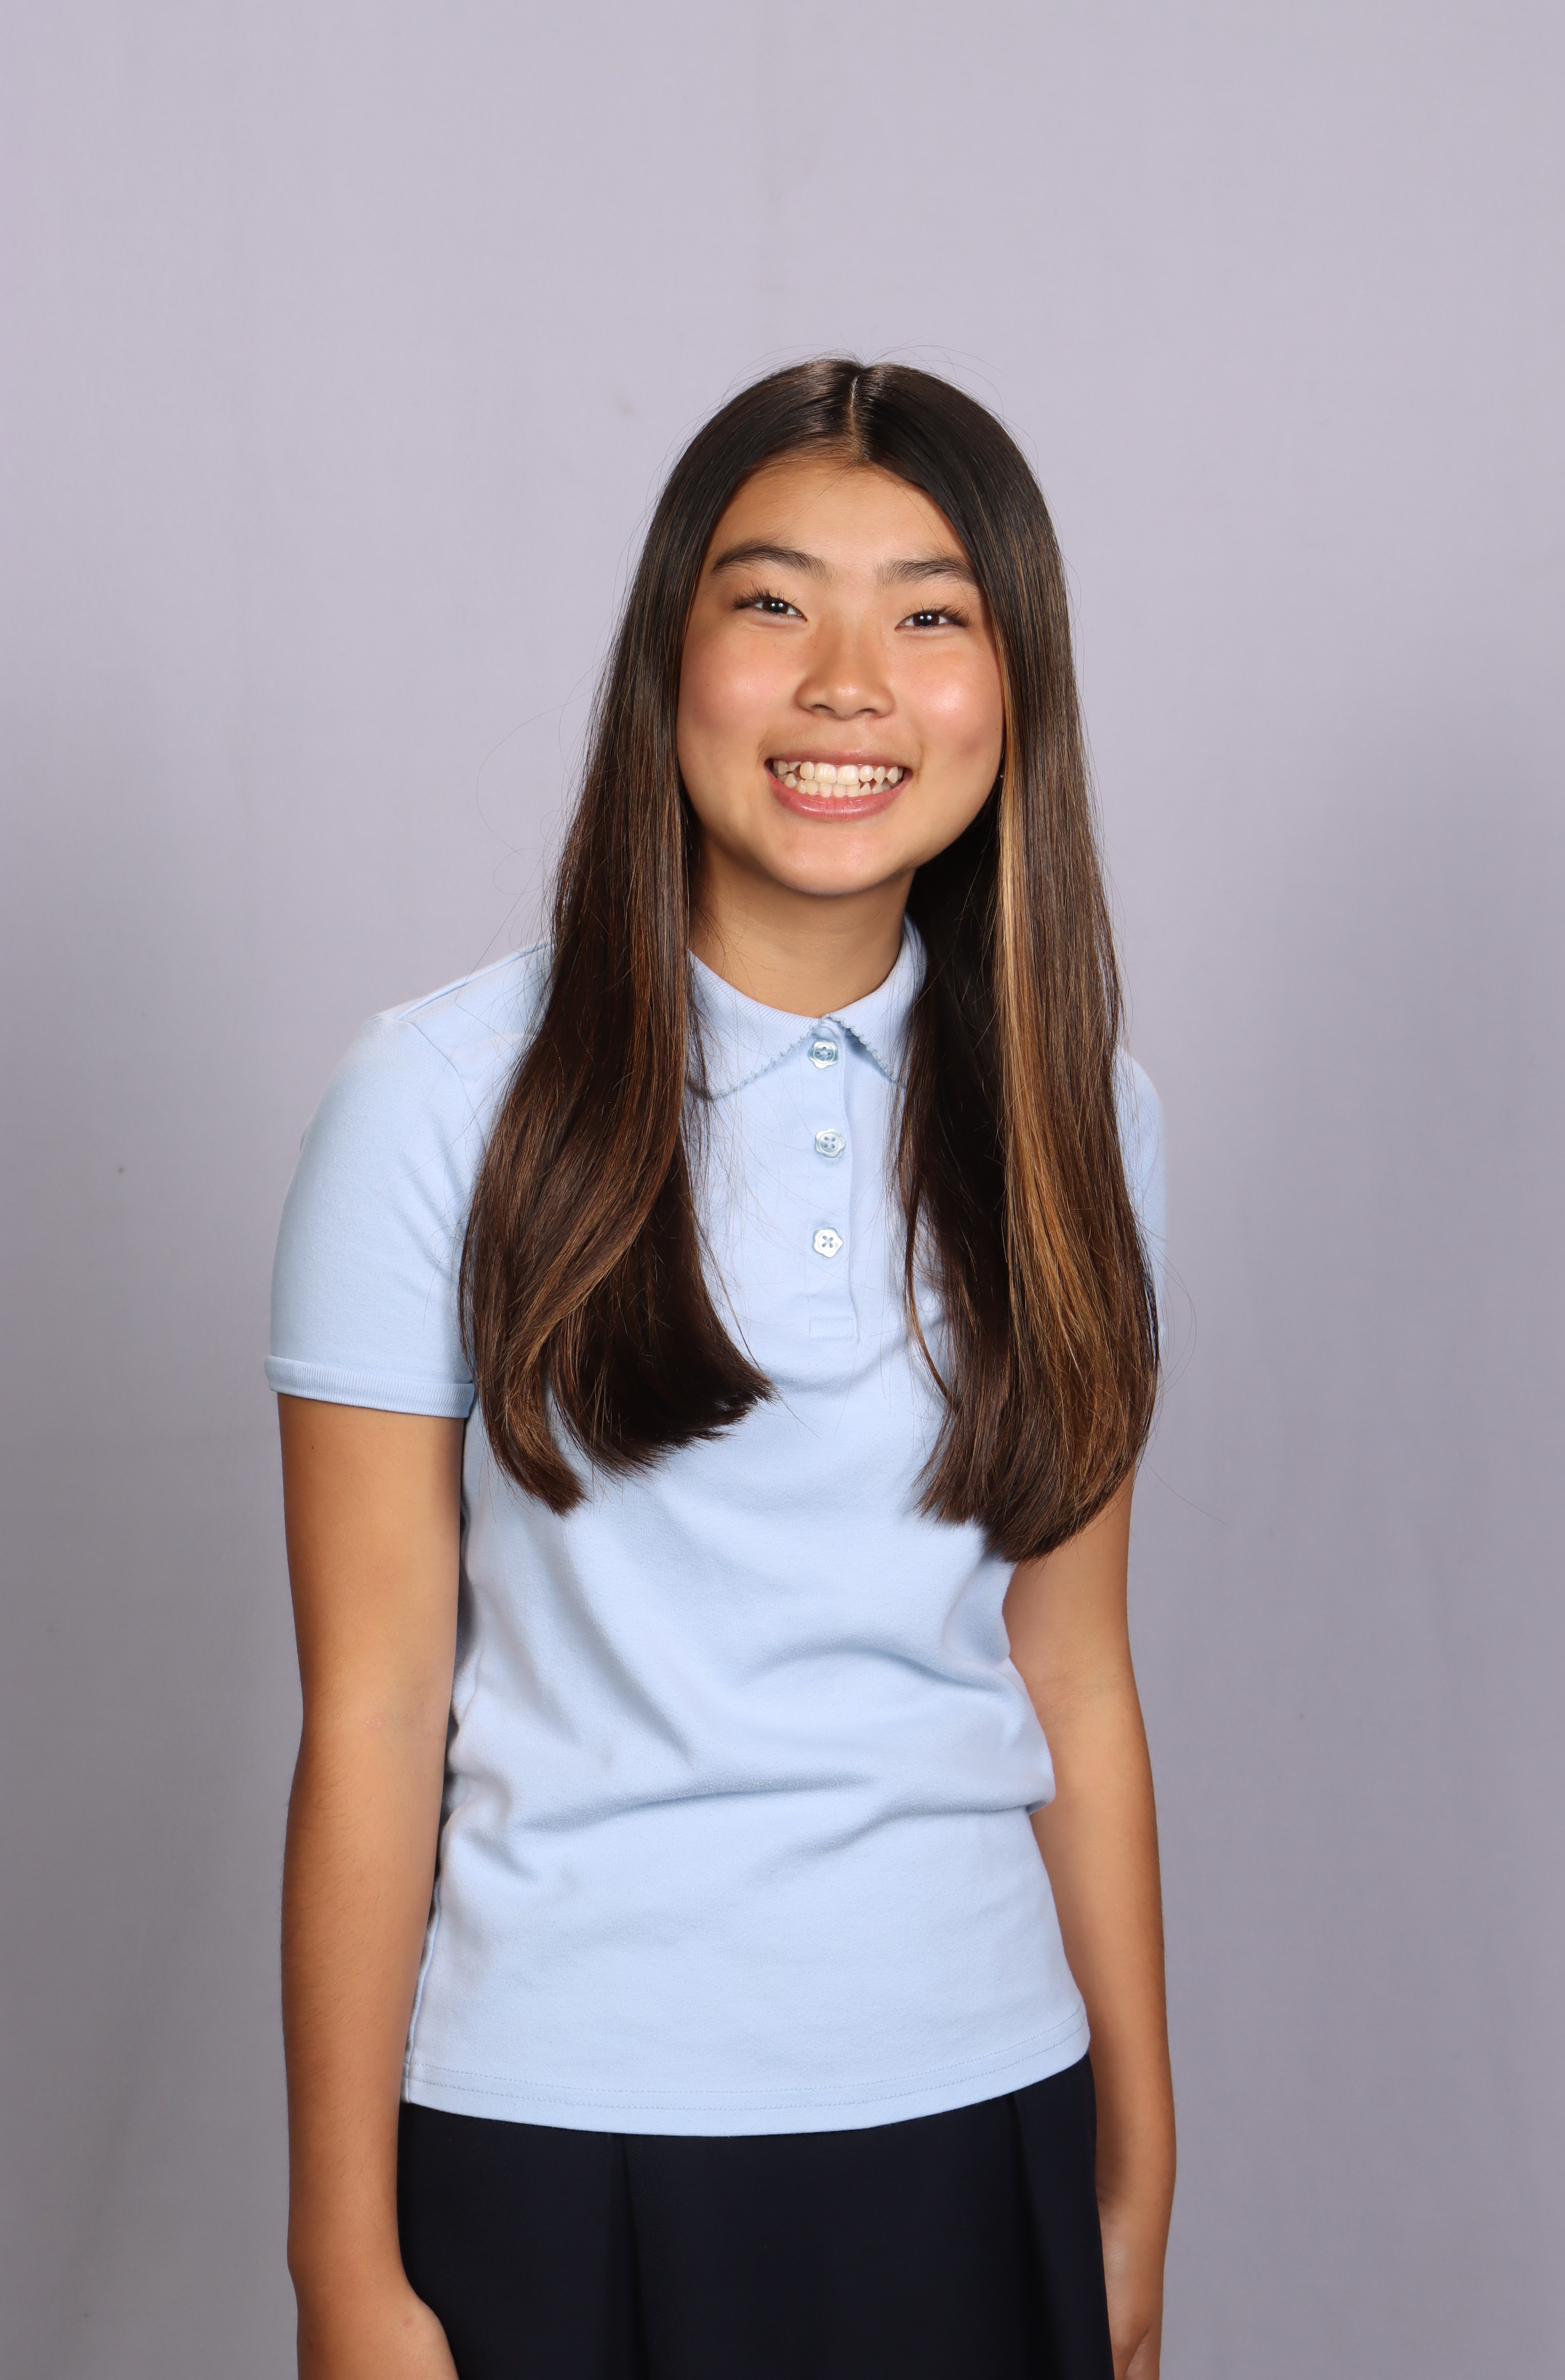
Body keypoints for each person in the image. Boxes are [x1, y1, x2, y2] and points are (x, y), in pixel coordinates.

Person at [270, 358, 1174, 2380]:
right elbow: (374, 1710)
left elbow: (1077, 1681)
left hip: (980, 2107)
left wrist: (1136, 2172)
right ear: (666, 659)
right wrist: (343, 2264)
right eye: (772, 603)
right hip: (553, 2126)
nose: (848, 683)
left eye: (929, 616)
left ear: (1012, 685)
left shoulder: (1079, 1121)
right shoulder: (438, 1100)